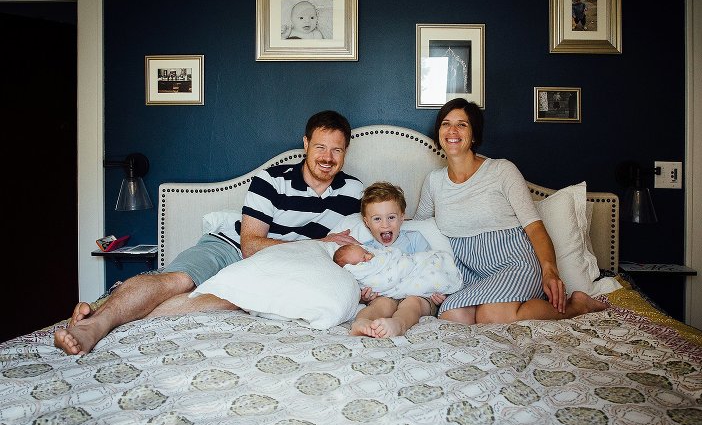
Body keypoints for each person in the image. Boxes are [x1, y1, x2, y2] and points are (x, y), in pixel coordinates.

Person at [54, 111, 364, 355]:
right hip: (232, 246)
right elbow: (250, 245)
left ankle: (102, 313)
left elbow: (373, 236)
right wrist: (315, 244)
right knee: (179, 280)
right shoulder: (271, 181)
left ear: (346, 152)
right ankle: (96, 325)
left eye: (337, 150)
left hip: (280, 267)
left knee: (227, 300)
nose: (328, 157)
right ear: (306, 144)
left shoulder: (354, 191)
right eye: (320, 146)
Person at [413, 98, 608, 325]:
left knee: (492, 315)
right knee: (452, 316)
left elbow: (534, 226)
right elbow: (418, 230)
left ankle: (578, 306)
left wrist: (549, 270)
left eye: (462, 124)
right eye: (445, 124)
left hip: (513, 261)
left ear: (474, 135)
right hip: (466, 270)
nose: (452, 130)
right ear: (439, 133)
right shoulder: (434, 181)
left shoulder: (501, 170)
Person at [342, 182, 453, 338]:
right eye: (377, 219)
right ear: (366, 222)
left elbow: (430, 266)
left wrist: (438, 292)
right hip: (387, 295)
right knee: (382, 304)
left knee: (412, 303)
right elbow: (364, 276)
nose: (385, 224)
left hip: (419, 294)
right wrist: (365, 296)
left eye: (391, 217)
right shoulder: (366, 251)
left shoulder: (415, 239)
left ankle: (398, 324)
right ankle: (362, 322)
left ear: (402, 217)